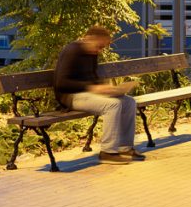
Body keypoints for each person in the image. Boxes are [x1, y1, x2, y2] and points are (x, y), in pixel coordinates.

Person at [53, 25, 144, 164]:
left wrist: (108, 89)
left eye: (103, 47)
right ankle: (107, 152)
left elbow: (93, 77)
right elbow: (61, 83)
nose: (100, 50)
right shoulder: (72, 51)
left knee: (129, 102)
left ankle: (125, 147)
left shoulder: (92, 53)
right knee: (113, 105)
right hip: (70, 97)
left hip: (89, 95)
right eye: (100, 46)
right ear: (90, 39)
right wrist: (91, 88)